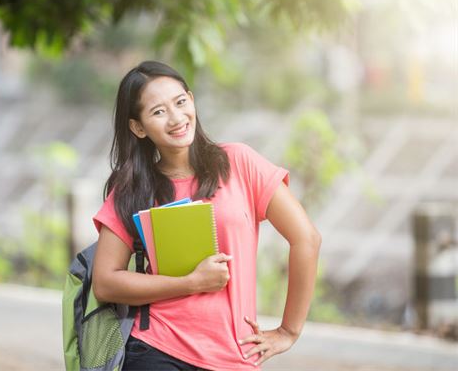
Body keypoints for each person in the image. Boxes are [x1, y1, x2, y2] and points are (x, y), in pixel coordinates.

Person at [92, 60, 322, 370]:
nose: (176, 118)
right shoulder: (133, 188)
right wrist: (190, 282)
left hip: (235, 354)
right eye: (158, 112)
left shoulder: (239, 163)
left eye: (180, 102)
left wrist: (288, 331)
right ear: (138, 127)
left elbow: (306, 238)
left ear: (192, 99)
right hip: (156, 348)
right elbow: (105, 283)